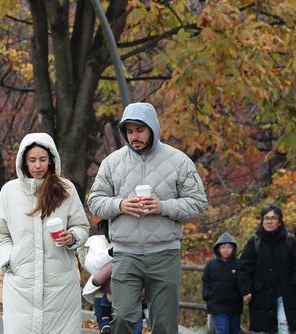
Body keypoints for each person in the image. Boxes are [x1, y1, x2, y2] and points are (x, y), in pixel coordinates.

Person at [88, 102, 208, 334]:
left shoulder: (179, 161)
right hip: (125, 253)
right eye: (129, 131)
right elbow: (94, 201)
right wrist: (120, 205)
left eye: (140, 130)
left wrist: (163, 206)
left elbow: (198, 204)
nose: (135, 136)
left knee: (164, 325)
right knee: (121, 318)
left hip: (164, 253)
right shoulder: (112, 162)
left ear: (153, 128)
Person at [0, 132, 90, 334]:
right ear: (23, 162)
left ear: (51, 160)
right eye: (32, 160)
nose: (38, 165)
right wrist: (9, 258)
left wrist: (72, 237)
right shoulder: (9, 191)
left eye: (43, 160)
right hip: (20, 284)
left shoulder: (66, 189)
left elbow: (82, 226)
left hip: (61, 284)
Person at [239, 205, 296, 334]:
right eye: (266, 218)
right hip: (261, 295)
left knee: (284, 328)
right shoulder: (254, 242)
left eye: (273, 218)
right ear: (262, 221)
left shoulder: (290, 242)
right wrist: (246, 290)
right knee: (263, 330)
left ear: (280, 222)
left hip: (285, 294)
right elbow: (244, 268)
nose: (269, 221)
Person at [81, 220, 146, 334]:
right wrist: (114, 252)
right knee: (108, 327)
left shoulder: (139, 241)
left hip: (132, 295)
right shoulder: (98, 241)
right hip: (103, 295)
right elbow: (93, 266)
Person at [202, 233, 243, 334]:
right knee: (223, 330)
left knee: (235, 331)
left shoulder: (239, 264)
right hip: (217, 305)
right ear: (218, 249)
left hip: (235, 306)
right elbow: (206, 282)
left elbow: (244, 282)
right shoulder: (211, 265)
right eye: (223, 247)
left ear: (233, 249)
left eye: (229, 247)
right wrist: (207, 295)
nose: (226, 249)